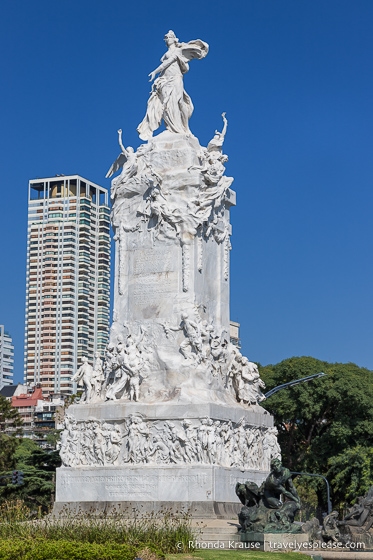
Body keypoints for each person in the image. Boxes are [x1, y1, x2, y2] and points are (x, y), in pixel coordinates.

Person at [137, 31, 208, 140]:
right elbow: (165, 64)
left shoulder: (178, 51)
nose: (166, 39)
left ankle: (184, 127)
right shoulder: (167, 52)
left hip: (175, 78)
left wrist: (154, 72)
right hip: (165, 79)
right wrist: (158, 75)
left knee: (178, 101)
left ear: (174, 39)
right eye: (165, 38)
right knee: (166, 103)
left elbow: (168, 62)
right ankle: (171, 128)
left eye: (168, 37)